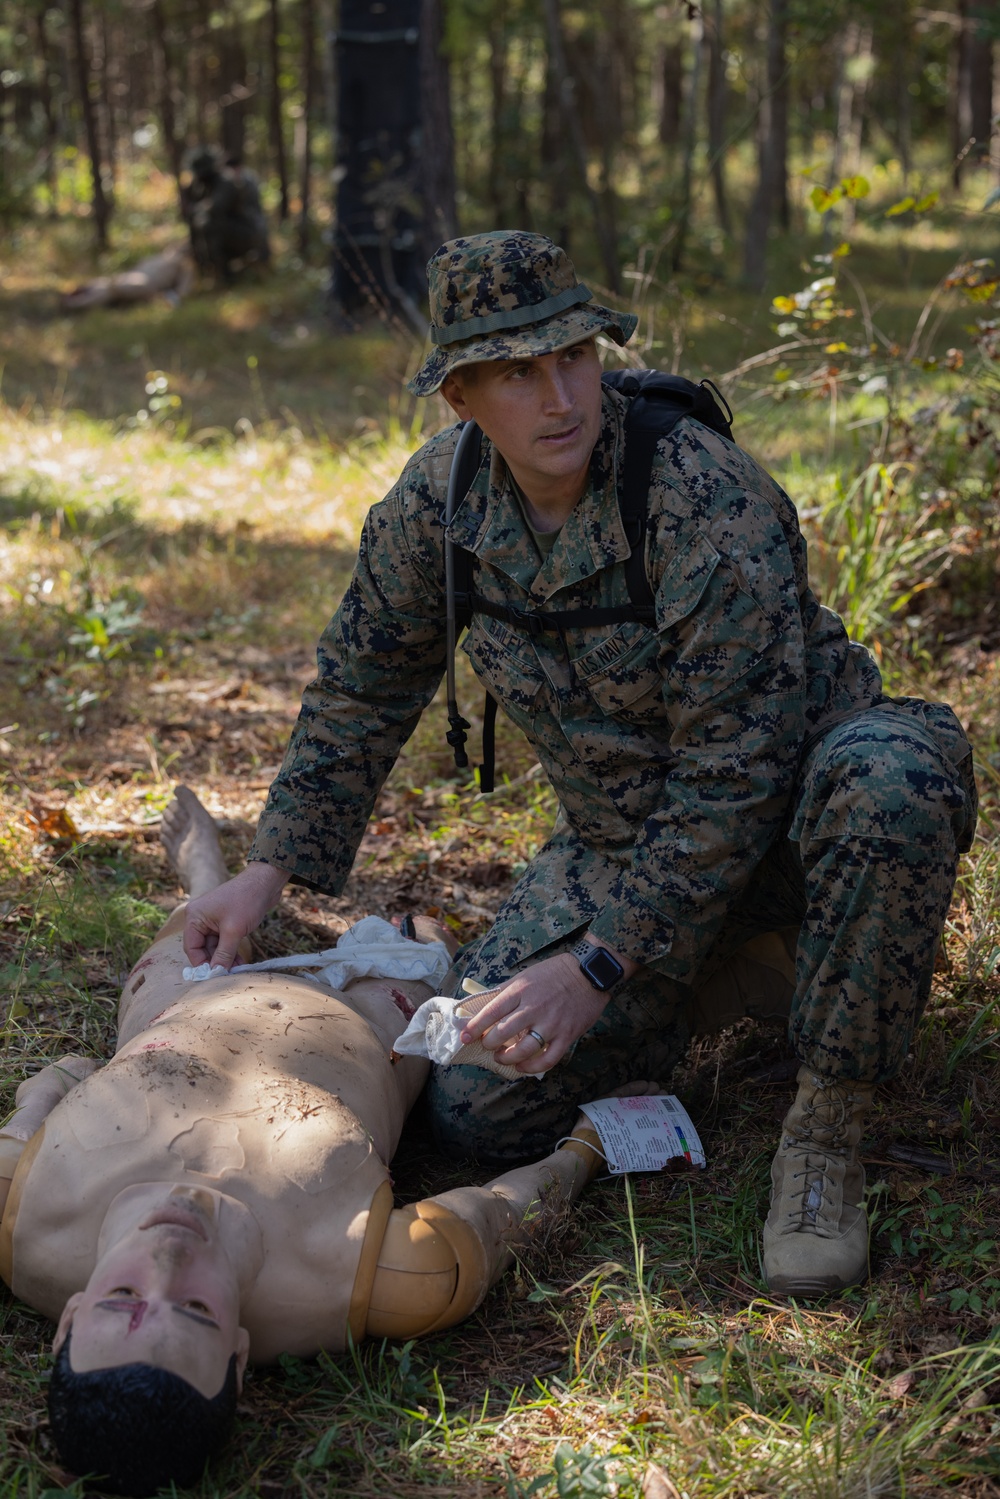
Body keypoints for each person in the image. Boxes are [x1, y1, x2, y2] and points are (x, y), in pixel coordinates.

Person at [181, 231, 978, 1301]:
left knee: (894, 783)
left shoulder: (698, 492)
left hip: (797, 814)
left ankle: (825, 1129)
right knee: (475, 1108)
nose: (559, 395)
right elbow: (363, 685)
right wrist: (264, 870)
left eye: (575, 356)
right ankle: (743, 971)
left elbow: (737, 773)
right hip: (625, 842)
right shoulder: (439, 508)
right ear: (460, 393)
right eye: (517, 372)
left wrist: (598, 964)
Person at [0, 787, 625, 1496]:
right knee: (424, 940)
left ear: (69, 1320)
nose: (169, 1257)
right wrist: (587, 1146)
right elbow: (504, 1210)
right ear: (238, 1357)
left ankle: (206, 877)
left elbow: (44, 1096)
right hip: (360, 1022)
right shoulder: (377, 1275)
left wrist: (54, 1087)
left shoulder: (21, 1209)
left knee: (185, 946)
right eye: (196, 1309)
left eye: (119, 1297)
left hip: (184, 1000)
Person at [60, 243, 194, 312]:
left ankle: (75, 305)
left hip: (146, 283)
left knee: (112, 288)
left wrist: (168, 298)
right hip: (132, 276)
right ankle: (72, 296)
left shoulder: (184, 264)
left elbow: (184, 291)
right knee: (104, 283)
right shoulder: (158, 257)